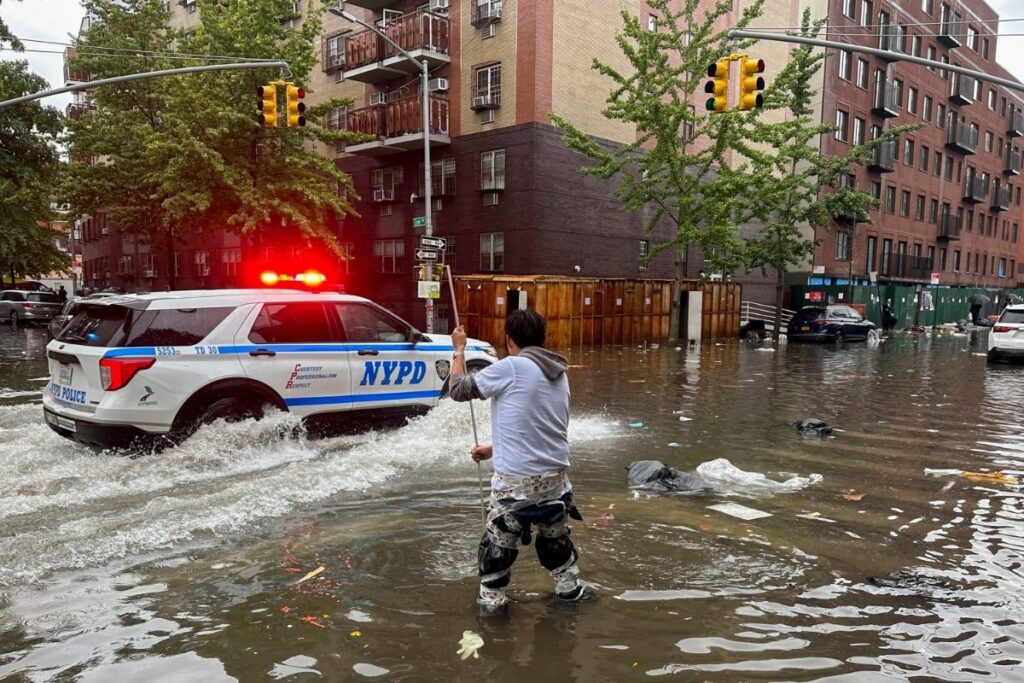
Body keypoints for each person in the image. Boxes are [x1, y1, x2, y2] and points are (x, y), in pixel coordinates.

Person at [449, 310, 584, 609]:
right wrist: (494, 448)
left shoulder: (511, 367)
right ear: (542, 338)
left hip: (515, 489)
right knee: (557, 550)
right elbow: (540, 426)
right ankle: (570, 596)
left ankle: (494, 618)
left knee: (495, 556)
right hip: (557, 486)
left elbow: (457, 390)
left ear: (509, 341)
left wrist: (458, 349)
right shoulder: (558, 372)